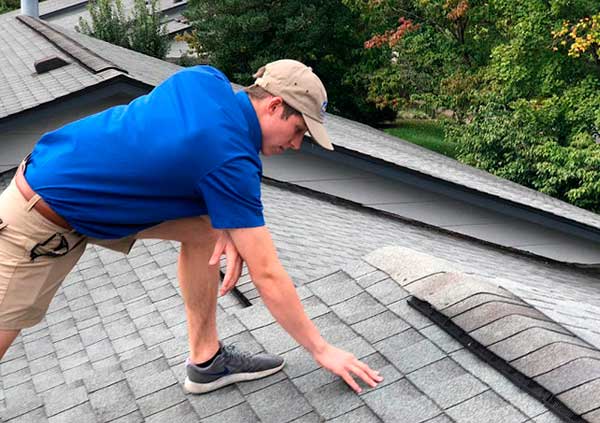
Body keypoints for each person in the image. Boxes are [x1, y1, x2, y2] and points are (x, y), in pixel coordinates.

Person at [0, 59, 382, 394]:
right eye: (299, 130)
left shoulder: (206, 79)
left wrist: (225, 227)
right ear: (275, 105)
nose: (298, 144)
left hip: (80, 190)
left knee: (207, 230)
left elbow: (180, 149)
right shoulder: (230, 159)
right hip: (38, 221)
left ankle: (206, 361)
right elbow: (266, 272)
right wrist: (322, 349)